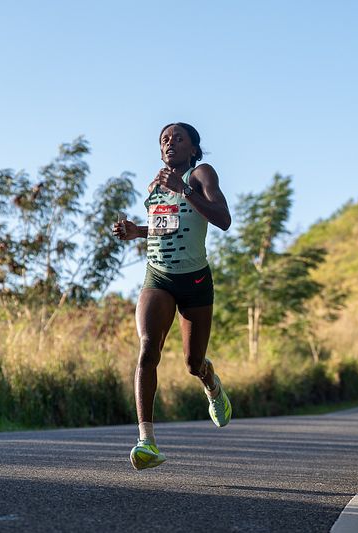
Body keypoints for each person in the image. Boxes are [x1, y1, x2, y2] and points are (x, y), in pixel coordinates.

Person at [112, 122, 233, 470]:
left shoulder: (201, 175)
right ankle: (146, 441)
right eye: (165, 139)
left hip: (194, 280)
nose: (170, 143)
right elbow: (170, 224)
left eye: (178, 138)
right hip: (159, 276)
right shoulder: (156, 185)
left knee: (192, 363)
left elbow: (223, 219)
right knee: (148, 347)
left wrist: (184, 189)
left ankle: (211, 383)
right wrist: (139, 231)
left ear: (193, 149)